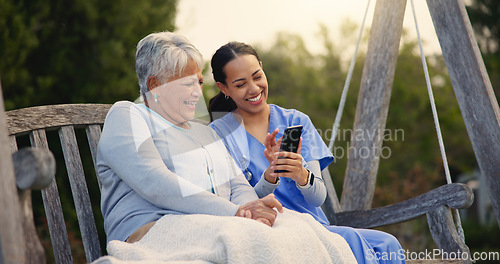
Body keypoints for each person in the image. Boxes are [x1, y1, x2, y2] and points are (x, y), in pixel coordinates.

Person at [95, 31, 357, 264]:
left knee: (297, 227)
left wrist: (252, 210)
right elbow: (156, 183)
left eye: (198, 82)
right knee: (254, 236)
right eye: (187, 84)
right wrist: (237, 212)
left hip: (211, 225)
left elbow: (237, 186)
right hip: (151, 231)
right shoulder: (129, 115)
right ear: (155, 86)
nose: (198, 92)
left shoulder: (202, 131)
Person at [208, 41, 406, 264]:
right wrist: (270, 177)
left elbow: (318, 197)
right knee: (352, 239)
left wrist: (301, 175)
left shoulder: (295, 122)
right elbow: (234, 206)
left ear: (263, 69)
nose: (254, 89)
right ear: (223, 88)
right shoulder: (218, 135)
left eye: (257, 76)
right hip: (268, 231)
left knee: (386, 244)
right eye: (240, 84)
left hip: (314, 227)